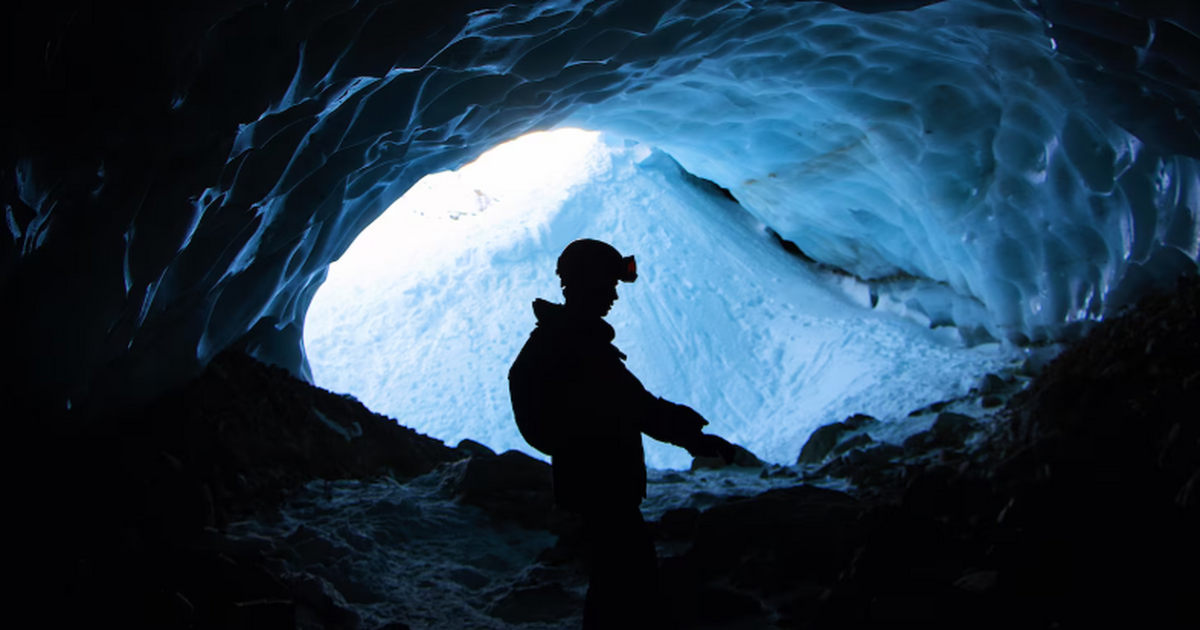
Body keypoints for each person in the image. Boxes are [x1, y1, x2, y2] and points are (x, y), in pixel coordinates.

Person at [508, 238, 737, 629]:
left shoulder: (565, 338)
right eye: (609, 284)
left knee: (617, 577)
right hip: (603, 482)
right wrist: (693, 437)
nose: (615, 295)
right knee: (625, 579)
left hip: (591, 479)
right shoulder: (578, 345)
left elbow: (629, 404)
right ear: (587, 284)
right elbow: (635, 406)